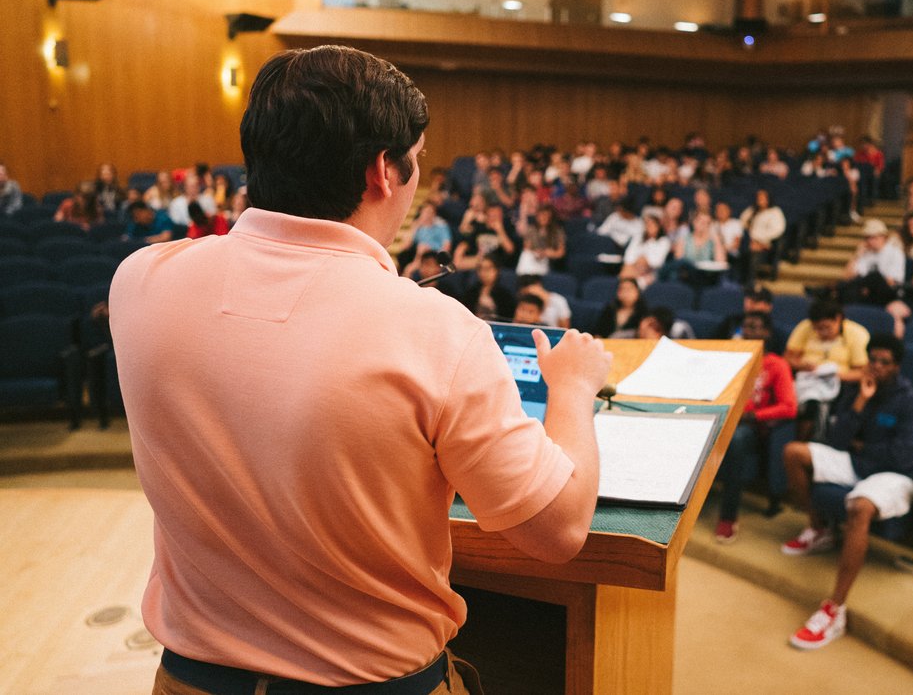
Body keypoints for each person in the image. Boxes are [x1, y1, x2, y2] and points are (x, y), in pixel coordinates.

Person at [109, 45, 611, 694]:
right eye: (418, 162)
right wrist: (571, 388)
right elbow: (559, 530)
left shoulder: (143, 281)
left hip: (188, 681)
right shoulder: (432, 328)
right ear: (382, 170)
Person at [781, 333, 913, 650]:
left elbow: (904, 457)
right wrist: (861, 402)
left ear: (897, 367)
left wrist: (863, 446)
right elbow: (836, 441)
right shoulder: (861, 391)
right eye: (872, 359)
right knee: (795, 452)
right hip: (859, 463)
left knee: (860, 506)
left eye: (884, 362)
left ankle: (835, 609)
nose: (875, 366)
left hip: (896, 475)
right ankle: (819, 529)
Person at [713, 311, 799, 543]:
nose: (749, 332)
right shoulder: (734, 360)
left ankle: (728, 517)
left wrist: (752, 416)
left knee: (737, 438)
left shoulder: (777, 364)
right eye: (746, 327)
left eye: (755, 327)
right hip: (726, 417)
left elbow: (789, 407)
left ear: (767, 333)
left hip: (755, 428)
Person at [784, 297, 870, 440]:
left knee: (813, 405)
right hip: (806, 378)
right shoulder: (805, 327)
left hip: (840, 382)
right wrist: (801, 365)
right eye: (818, 329)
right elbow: (787, 357)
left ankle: (806, 443)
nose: (822, 332)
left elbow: (863, 372)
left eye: (827, 327)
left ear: (838, 319)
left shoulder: (857, 334)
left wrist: (835, 375)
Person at [838, 219, 904, 306]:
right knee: (844, 285)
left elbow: (892, 281)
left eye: (874, 237)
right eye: (867, 238)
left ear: (884, 237)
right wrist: (857, 255)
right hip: (865, 292)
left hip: (887, 293)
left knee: (874, 277)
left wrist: (867, 287)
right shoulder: (866, 253)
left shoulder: (895, 252)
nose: (870, 241)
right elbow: (847, 276)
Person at [740, 188, 786, 279]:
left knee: (753, 253)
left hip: (765, 243)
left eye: (762, 197)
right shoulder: (752, 210)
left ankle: (751, 283)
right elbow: (742, 222)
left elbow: (777, 230)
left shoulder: (775, 212)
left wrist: (759, 240)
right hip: (749, 240)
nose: (760, 200)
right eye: (758, 197)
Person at [619, 212, 670, 288]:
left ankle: (628, 285)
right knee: (627, 268)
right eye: (647, 224)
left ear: (658, 225)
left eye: (652, 224)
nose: (649, 226)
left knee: (632, 274)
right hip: (633, 268)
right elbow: (628, 256)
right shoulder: (638, 237)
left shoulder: (664, 241)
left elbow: (658, 261)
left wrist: (644, 260)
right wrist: (637, 262)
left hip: (651, 271)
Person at [462, 255, 516, 322]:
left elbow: (507, 318)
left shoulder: (504, 295)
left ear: (496, 270)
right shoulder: (471, 292)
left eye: (487, 269)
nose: (483, 272)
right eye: (480, 269)